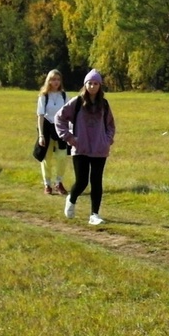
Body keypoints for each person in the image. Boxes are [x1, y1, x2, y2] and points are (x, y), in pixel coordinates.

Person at [55, 69, 115, 226]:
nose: (93, 86)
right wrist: (69, 138)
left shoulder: (105, 104)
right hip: (80, 148)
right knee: (82, 181)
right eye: (90, 83)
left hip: (99, 149)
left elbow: (110, 125)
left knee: (96, 181)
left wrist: (107, 140)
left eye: (96, 83)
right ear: (85, 84)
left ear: (100, 86)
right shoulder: (76, 102)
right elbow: (59, 118)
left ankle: (94, 214)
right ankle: (72, 198)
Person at [35, 69, 69, 195]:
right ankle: (47, 183)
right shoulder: (44, 96)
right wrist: (41, 135)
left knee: (62, 157)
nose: (56, 82)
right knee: (46, 158)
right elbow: (40, 115)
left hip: (61, 129)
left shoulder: (64, 95)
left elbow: (69, 114)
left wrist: (70, 130)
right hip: (47, 129)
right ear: (48, 81)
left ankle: (59, 182)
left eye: (58, 79)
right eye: (53, 79)